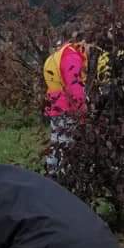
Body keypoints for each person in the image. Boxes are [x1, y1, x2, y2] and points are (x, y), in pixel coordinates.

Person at [43, 39, 90, 175]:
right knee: (66, 145)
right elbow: (74, 86)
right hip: (67, 108)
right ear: (83, 43)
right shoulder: (72, 57)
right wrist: (82, 109)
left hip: (56, 105)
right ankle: (64, 178)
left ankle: (52, 175)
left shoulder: (62, 53)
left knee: (56, 143)